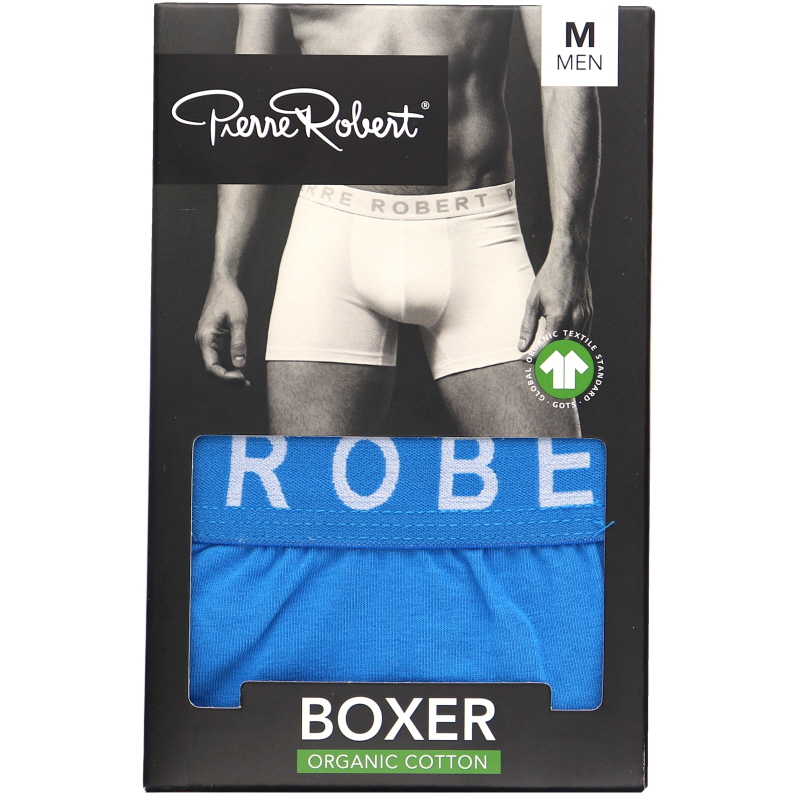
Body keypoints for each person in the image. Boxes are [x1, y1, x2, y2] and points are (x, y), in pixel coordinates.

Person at [195, 4, 600, 436]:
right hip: (332, 235)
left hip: (478, 237)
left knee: (547, 477)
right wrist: (224, 272)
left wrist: (570, 252)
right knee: (309, 480)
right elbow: (248, 99)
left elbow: (572, 78)